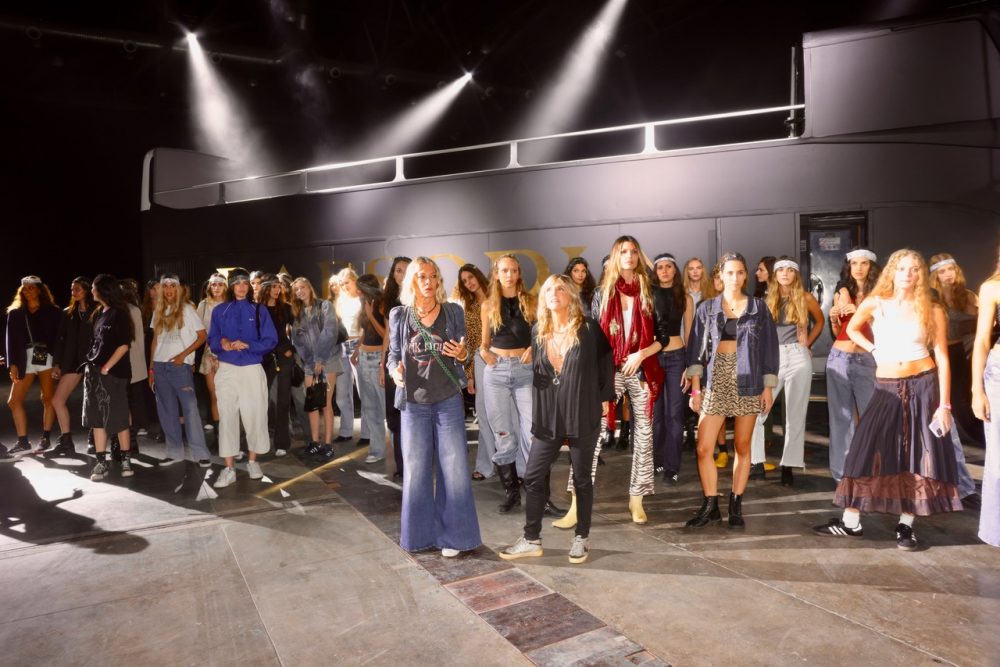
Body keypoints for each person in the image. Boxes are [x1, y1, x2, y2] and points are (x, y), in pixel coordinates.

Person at [813, 249, 962, 550]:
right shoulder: (876, 302)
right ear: (892, 271)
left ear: (921, 275)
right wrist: (874, 349)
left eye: (914, 269)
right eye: (902, 268)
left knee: (917, 455)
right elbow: (852, 328)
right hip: (885, 387)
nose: (908, 274)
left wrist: (944, 406)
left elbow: (943, 359)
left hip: (923, 385)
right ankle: (850, 522)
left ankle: (906, 525)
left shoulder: (932, 309)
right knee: (865, 449)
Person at [499, 274, 614, 564]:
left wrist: (604, 398)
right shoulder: (539, 331)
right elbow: (540, 374)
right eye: (549, 289)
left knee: (582, 478)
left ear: (571, 296)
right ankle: (531, 539)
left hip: (582, 411)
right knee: (533, 475)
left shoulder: (588, 328)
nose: (554, 293)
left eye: (561, 289)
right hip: (549, 414)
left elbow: (606, 360)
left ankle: (581, 537)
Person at [386, 256, 481, 557]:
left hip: (448, 400)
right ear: (412, 281)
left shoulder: (453, 311)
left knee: (454, 470)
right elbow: (392, 355)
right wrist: (394, 371)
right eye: (422, 277)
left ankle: (454, 538)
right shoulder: (400, 315)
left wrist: (463, 353)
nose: (429, 282)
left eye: (433, 276)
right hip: (413, 403)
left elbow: (465, 354)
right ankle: (419, 536)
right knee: (415, 472)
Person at [685, 252, 778, 528]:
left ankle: (735, 504)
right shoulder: (706, 308)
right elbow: (695, 351)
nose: (734, 278)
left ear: (745, 275)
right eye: (729, 273)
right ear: (720, 276)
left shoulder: (759, 308)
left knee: (742, 445)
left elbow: (769, 349)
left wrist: (768, 388)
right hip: (715, 380)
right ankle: (710, 505)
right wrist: (696, 390)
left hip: (749, 380)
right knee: (704, 447)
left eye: (739, 272)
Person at [593, 236, 664, 523]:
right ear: (615, 256)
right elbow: (594, 340)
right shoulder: (601, 294)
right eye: (624, 251)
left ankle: (637, 500)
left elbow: (663, 337)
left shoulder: (650, 292)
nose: (630, 256)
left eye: (634, 251)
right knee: (592, 435)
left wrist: (640, 354)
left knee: (644, 436)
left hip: (642, 369)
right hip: (609, 370)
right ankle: (577, 501)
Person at [749, 257, 823, 486]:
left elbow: (820, 321)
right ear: (775, 274)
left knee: (795, 415)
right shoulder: (765, 300)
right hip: (773, 357)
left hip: (798, 356)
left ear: (795, 274)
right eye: (781, 270)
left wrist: (807, 344)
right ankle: (756, 462)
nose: (785, 273)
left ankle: (788, 465)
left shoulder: (805, 297)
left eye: (790, 270)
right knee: (757, 411)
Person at [208, 269, 278, 488]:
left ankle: (253, 462)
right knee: (227, 417)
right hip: (227, 369)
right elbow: (212, 339)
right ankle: (229, 468)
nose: (241, 287)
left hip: (251, 368)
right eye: (237, 283)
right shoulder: (219, 310)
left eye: (245, 283)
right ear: (231, 286)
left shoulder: (259, 310)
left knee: (255, 415)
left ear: (249, 286)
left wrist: (249, 345)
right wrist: (223, 343)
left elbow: (271, 340)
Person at [481, 254, 538, 513]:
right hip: (497, 372)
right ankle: (511, 492)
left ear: (519, 273)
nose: (509, 275)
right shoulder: (488, 305)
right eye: (504, 270)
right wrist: (484, 353)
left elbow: (542, 333)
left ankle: (538, 491)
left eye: (513, 270)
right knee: (503, 433)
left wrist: (534, 348)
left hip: (525, 371)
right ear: (496, 274)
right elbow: (484, 344)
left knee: (533, 432)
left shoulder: (531, 301)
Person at [826, 248, 881, 482]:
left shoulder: (880, 294)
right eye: (854, 263)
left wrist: (860, 312)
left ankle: (870, 471)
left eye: (864, 263)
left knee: (870, 417)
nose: (858, 268)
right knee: (841, 419)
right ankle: (842, 477)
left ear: (871, 267)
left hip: (867, 360)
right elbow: (837, 331)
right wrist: (833, 318)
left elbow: (885, 327)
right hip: (839, 357)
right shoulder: (842, 292)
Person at [149, 274, 212, 466]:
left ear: (178, 289)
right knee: (167, 411)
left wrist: (182, 356)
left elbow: (202, 336)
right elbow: (155, 341)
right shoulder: (158, 310)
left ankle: (201, 454)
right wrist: (151, 369)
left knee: (190, 410)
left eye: (172, 286)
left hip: (179, 367)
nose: (169, 290)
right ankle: (174, 452)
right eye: (165, 286)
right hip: (160, 367)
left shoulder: (187, 309)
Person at [84, 274, 136, 481]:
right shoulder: (99, 313)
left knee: (119, 417)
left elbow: (124, 345)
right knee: (97, 419)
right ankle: (101, 462)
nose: (91, 290)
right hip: (94, 373)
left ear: (103, 290)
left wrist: (107, 367)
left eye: (93, 287)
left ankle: (126, 460)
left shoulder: (119, 313)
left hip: (114, 375)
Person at [929, 253, 983, 446]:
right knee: (940, 398)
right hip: (936, 353)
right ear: (935, 275)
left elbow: (986, 321)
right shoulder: (932, 298)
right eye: (942, 271)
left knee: (962, 399)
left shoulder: (967, 295)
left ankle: (976, 439)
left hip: (959, 351)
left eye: (950, 269)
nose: (948, 274)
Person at [651, 253, 694, 484]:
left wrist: (690, 365)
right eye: (660, 267)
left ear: (675, 270)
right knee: (656, 417)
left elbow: (690, 334)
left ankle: (672, 467)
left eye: (669, 267)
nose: (664, 271)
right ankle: (657, 461)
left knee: (674, 416)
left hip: (678, 359)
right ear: (655, 271)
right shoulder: (648, 296)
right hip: (653, 359)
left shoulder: (685, 298)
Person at [6, 275, 61, 455]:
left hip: (47, 357)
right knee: (14, 401)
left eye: (31, 287)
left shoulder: (53, 311)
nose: (27, 291)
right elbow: (10, 341)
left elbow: (60, 338)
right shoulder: (15, 313)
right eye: (25, 288)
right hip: (24, 358)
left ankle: (46, 438)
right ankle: (23, 441)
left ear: (39, 289)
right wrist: (12, 364)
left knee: (48, 398)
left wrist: (58, 362)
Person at [46, 277, 99, 457]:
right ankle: (66, 441)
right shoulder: (67, 313)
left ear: (86, 290)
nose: (73, 292)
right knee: (57, 400)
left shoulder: (98, 311)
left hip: (94, 361)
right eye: (72, 289)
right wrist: (56, 363)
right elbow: (60, 340)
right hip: (73, 362)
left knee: (94, 401)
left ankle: (95, 438)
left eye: (77, 289)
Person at [291, 277, 342, 459]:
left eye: (303, 287)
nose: (300, 291)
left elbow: (330, 332)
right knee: (311, 403)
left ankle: (328, 444)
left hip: (328, 359)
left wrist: (320, 358)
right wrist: (310, 361)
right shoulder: (298, 313)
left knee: (326, 403)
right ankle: (314, 442)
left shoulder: (324, 305)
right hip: (310, 363)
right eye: (296, 290)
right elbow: (297, 341)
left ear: (309, 288)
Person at [452, 263, 495, 480]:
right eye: (464, 281)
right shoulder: (467, 308)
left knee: (508, 417)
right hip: (480, 361)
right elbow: (468, 342)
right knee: (484, 415)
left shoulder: (497, 299)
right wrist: (469, 375)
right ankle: (485, 465)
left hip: (504, 358)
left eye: (470, 277)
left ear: (478, 275)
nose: (469, 282)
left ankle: (516, 467)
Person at [972, 247, 1000, 547]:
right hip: (998, 374)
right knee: (998, 458)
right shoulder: (992, 287)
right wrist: (976, 390)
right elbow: (981, 340)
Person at [259, 274, 295, 457]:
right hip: (263, 358)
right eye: (273, 286)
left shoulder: (286, 308)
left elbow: (299, 330)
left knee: (283, 400)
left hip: (283, 356)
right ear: (265, 288)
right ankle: (260, 441)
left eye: (278, 286)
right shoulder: (257, 309)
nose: (277, 290)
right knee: (260, 400)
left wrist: (292, 349)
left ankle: (282, 443)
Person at [353, 274, 387, 464]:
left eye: (360, 287)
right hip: (364, 357)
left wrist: (372, 315)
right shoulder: (364, 302)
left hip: (378, 358)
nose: (357, 291)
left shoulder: (381, 303)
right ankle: (376, 450)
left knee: (384, 407)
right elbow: (366, 331)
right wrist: (357, 350)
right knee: (369, 407)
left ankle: (399, 451)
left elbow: (385, 335)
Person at [382, 257, 411, 478]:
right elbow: (387, 336)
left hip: (417, 362)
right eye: (398, 270)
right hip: (394, 362)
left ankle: (415, 465)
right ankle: (402, 467)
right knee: (395, 417)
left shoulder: (420, 297)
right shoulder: (389, 300)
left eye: (406, 270)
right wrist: (382, 366)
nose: (401, 274)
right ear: (393, 274)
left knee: (414, 415)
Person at [334, 268, 365, 443]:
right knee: (342, 394)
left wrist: (360, 347)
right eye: (342, 284)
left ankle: (367, 434)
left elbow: (366, 327)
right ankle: (345, 431)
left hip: (358, 345)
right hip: (341, 347)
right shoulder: (340, 300)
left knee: (363, 392)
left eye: (347, 282)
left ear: (355, 280)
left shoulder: (362, 298)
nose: (344, 286)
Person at [197, 273, 228, 431]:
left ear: (225, 287)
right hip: (209, 352)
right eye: (214, 284)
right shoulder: (203, 305)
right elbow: (197, 330)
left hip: (228, 353)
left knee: (227, 396)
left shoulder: (231, 304)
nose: (216, 288)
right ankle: (218, 434)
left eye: (220, 284)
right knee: (214, 395)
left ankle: (231, 432)